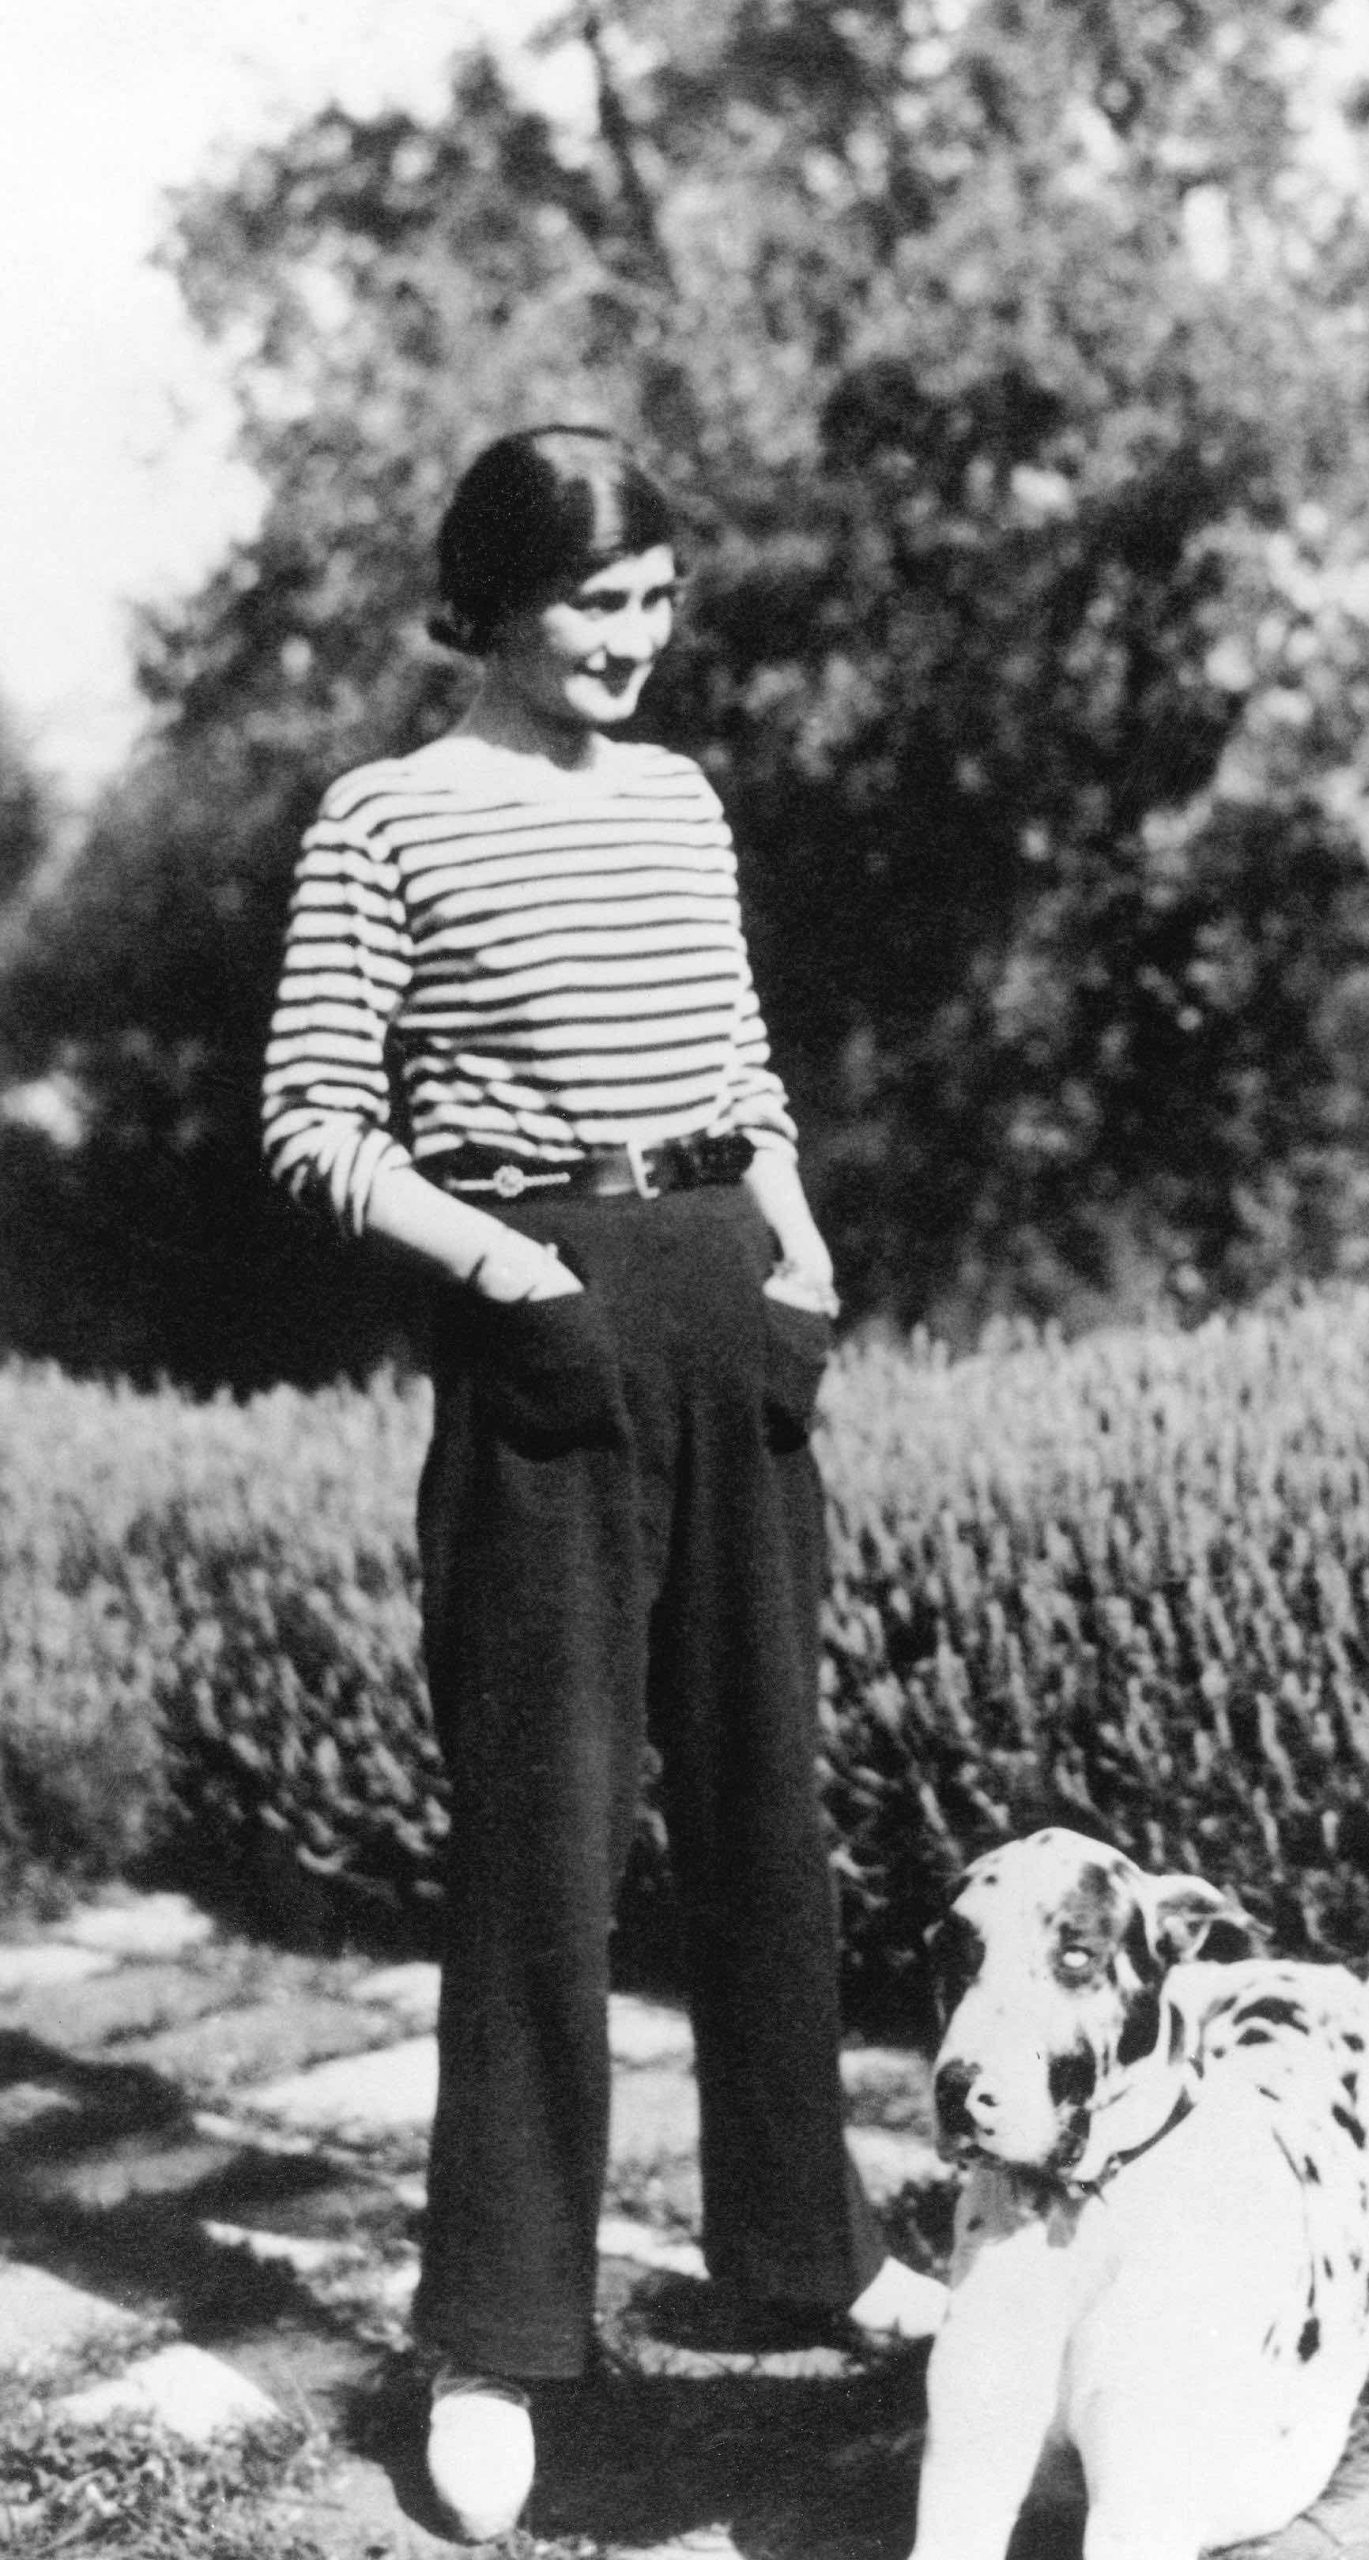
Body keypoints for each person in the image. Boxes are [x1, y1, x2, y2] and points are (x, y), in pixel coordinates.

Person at [261, 424, 944, 2543]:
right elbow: (313, 1120)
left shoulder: (680, 799)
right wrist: (505, 1266)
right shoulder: (385, 818)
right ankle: (495, 2332)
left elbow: (740, 1075)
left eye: (658, 602)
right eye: (594, 605)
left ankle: (799, 2258)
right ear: (490, 599)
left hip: (725, 1306)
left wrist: (802, 1239)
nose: (637, 643)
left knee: (766, 1805)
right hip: (537, 1320)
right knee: (540, 1852)